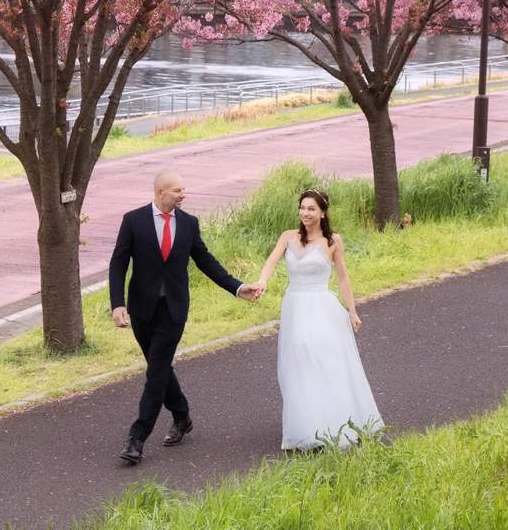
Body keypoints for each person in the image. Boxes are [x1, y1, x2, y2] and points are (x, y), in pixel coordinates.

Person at [109, 169, 262, 465]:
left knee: (155, 373)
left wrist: (237, 287)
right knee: (160, 367)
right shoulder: (133, 220)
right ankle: (182, 416)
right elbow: (118, 263)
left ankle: (136, 439)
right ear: (160, 193)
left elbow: (205, 260)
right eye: (177, 190)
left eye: (183, 190)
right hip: (141, 309)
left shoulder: (189, 224)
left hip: (174, 309)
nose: (183, 195)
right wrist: (117, 304)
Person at [256, 187, 382, 451]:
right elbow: (270, 261)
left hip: (322, 307)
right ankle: (307, 426)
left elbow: (343, 277)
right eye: (302, 208)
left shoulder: (333, 241)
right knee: (298, 362)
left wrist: (352, 309)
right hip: (294, 306)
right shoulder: (288, 237)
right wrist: (262, 282)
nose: (305, 213)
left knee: (322, 358)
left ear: (322, 213)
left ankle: (336, 421)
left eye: (311, 208)